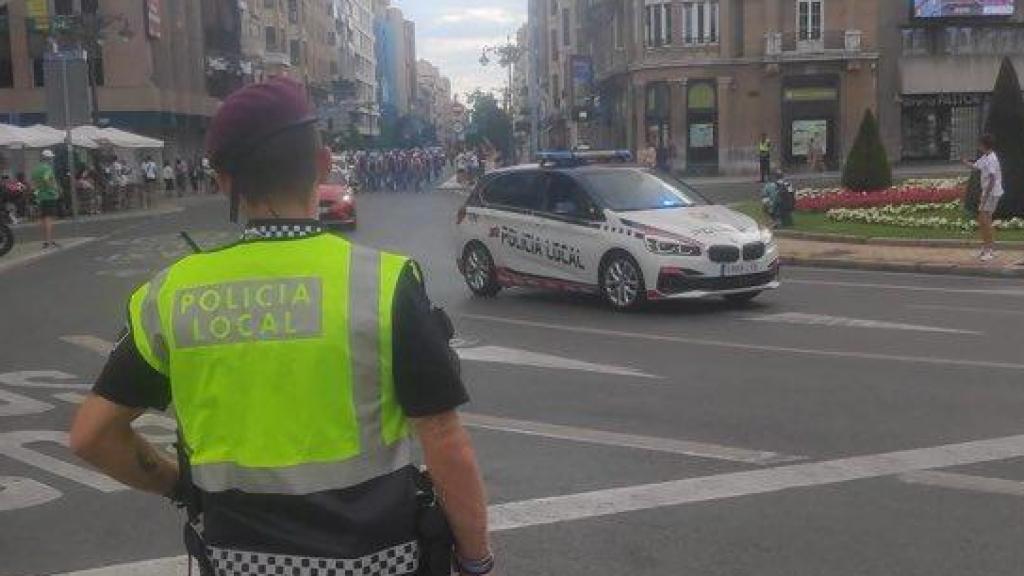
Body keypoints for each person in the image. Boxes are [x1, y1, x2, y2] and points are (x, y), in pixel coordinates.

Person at [69, 78, 493, 576]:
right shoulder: (383, 282)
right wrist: (475, 557)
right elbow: (444, 439)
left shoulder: (169, 295)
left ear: (225, 180)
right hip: (377, 560)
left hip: (237, 562)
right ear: (323, 162)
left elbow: (92, 437)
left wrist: (180, 485)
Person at [963, 133, 1004, 262]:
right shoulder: (985, 157)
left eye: (979, 143)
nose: (978, 145)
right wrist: (964, 161)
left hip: (991, 193)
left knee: (984, 221)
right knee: (984, 221)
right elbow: (976, 167)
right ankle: (987, 248)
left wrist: (985, 196)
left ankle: (989, 250)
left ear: (983, 145)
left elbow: (992, 178)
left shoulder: (992, 159)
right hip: (988, 192)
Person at [31, 149, 61, 249]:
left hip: (40, 196)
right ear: (48, 159)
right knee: (49, 219)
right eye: (51, 158)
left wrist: (37, 192)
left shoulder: (35, 169)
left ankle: (45, 240)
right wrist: (53, 190)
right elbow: (46, 179)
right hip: (49, 196)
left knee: (43, 219)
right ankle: (49, 241)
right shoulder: (47, 168)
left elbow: (33, 183)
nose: (52, 160)